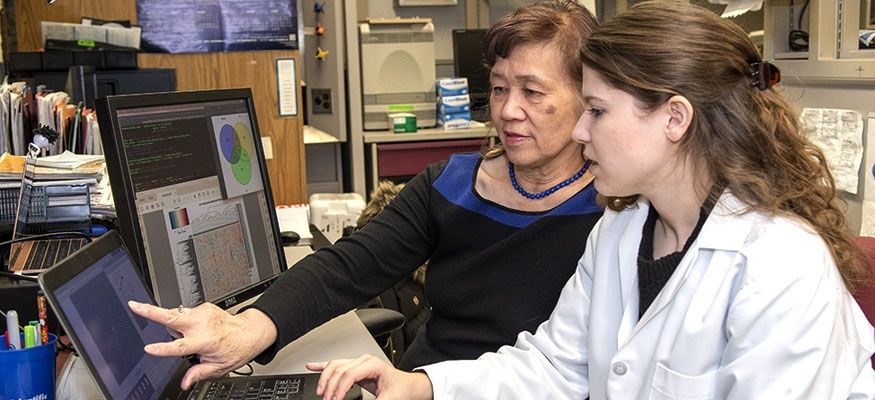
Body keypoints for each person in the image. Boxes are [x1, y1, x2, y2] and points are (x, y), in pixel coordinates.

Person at [308, 2, 875, 399]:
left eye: (598, 112)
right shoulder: (621, 230)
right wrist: (422, 385)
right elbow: (556, 366)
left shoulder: (779, 268)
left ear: (675, 118)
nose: (581, 133)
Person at [128, 0, 603, 390]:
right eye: (499, 89)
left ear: (589, 95)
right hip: (417, 385)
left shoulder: (613, 211)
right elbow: (347, 267)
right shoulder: (451, 184)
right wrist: (245, 328)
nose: (509, 110)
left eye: (533, 92)